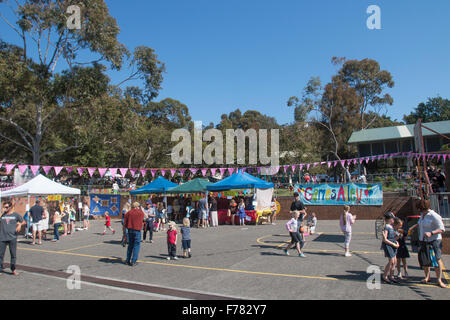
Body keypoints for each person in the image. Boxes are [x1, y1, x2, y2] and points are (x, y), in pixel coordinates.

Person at [409, 199, 447, 288]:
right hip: (423, 240)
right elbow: (420, 223)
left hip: (434, 241)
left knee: (436, 260)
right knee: (425, 259)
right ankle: (427, 277)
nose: (419, 211)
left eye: (420, 209)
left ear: (423, 208)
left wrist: (431, 233)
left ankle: (439, 280)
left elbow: (442, 229)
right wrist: (413, 227)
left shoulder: (434, 216)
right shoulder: (423, 215)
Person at [0, 201, 25, 276]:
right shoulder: (2, 215)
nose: (5, 208)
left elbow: (23, 221)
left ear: (10, 207)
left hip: (12, 237)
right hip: (2, 237)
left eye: (7, 207)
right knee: (0, 254)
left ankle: (13, 269)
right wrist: (1, 212)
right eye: (4, 207)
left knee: (13, 254)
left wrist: (19, 224)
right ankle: (0, 268)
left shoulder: (15, 215)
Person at [123, 202, 144, 266]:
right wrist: (141, 209)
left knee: (130, 246)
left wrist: (124, 232)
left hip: (130, 230)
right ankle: (133, 261)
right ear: (138, 206)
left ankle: (127, 260)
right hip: (137, 230)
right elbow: (145, 217)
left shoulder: (128, 213)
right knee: (136, 246)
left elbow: (125, 223)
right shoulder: (140, 213)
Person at [381, 212, 399, 284]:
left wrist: (396, 241)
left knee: (395, 261)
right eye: (392, 219)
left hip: (393, 244)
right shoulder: (387, 227)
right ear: (389, 219)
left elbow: (393, 237)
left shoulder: (391, 227)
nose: (393, 220)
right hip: (388, 245)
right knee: (391, 261)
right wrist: (393, 244)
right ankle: (385, 276)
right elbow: (385, 239)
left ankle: (392, 275)